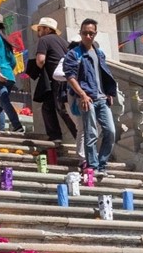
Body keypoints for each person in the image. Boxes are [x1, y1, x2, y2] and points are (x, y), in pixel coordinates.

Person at [62, 18, 119, 175]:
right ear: (80, 33)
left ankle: (102, 164)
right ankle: (93, 166)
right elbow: (70, 76)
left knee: (110, 131)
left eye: (91, 33)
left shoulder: (99, 53)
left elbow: (104, 73)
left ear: (95, 34)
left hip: (102, 98)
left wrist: (109, 92)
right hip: (87, 98)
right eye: (85, 33)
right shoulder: (74, 54)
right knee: (91, 133)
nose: (88, 36)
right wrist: (82, 95)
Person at [32, 16, 75, 143]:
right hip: (68, 78)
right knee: (50, 106)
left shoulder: (44, 40)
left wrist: (36, 67)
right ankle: (59, 136)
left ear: (47, 29)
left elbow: (41, 60)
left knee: (62, 109)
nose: (38, 33)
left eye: (40, 30)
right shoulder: (64, 42)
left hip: (55, 79)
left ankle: (59, 136)